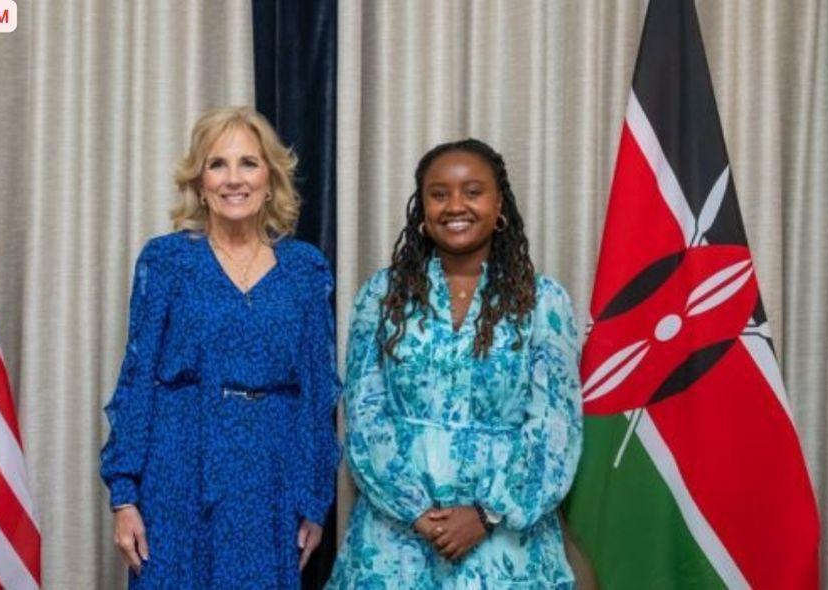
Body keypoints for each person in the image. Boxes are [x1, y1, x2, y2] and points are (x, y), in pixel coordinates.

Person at [99, 106, 340, 589]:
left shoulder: (304, 270)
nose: (234, 179)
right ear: (200, 182)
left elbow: (318, 393)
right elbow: (138, 378)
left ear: (270, 179)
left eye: (249, 163)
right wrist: (125, 496)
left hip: (269, 479)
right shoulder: (166, 261)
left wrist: (313, 499)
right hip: (177, 470)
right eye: (218, 164)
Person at [327, 139, 583, 588]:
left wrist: (486, 514)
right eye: (439, 193)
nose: (455, 206)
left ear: (499, 203)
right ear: (422, 208)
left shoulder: (545, 302)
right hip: (397, 538)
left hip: (505, 539)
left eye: (472, 191)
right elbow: (364, 414)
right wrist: (417, 512)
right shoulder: (382, 297)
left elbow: (554, 428)